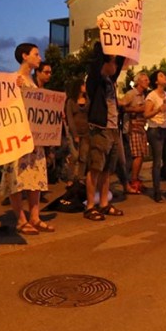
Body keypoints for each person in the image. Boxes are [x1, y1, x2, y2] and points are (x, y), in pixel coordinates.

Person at [1, 43, 53, 234]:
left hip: (34, 138)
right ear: (25, 56)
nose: (39, 57)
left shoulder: (31, 81)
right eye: (36, 54)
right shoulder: (14, 80)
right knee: (17, 177)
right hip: (17, 137)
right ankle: (21, 219)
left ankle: (35, 216)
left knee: (35, 176)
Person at [84, 40, 126, 221]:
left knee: (107, 169)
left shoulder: (111, 82)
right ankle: (90, 206)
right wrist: (104, 45)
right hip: (100, 129)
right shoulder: (94, 82)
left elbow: (122, 60)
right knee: (95, 167)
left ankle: (103, 203)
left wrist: (122, 43)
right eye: (111, 61)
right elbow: (96, 65)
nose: (115, 65)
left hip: (113, 128)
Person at [143, 70, 166, 202]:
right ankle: (157, 191)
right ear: (156, 81)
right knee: (157, 162)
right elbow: (146, 114)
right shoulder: (151, 96)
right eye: (161, 76)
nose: (165, 77)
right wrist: (158, 110)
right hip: (155, 130)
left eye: (164, 75)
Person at [121, 71, 150, 194]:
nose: (147, 82)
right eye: (145, 80)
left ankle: (135, 178)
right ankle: (132, 180)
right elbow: (121, 106)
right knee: (137, 155)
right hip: (132, 128)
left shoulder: (144, 96)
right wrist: (135, 109)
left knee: (141, 154)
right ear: (138, 81)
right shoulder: (131, 94)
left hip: (141, 127)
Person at [64, 77, 89, 188]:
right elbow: (70, 118)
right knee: (74, 156)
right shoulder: (71, 101)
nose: (85, 87)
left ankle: (80, 178)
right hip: (74, 131)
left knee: (83, 156)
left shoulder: (88, 100)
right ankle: (70, 178)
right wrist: (75, 134)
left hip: (86, 132)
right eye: (83, 85)